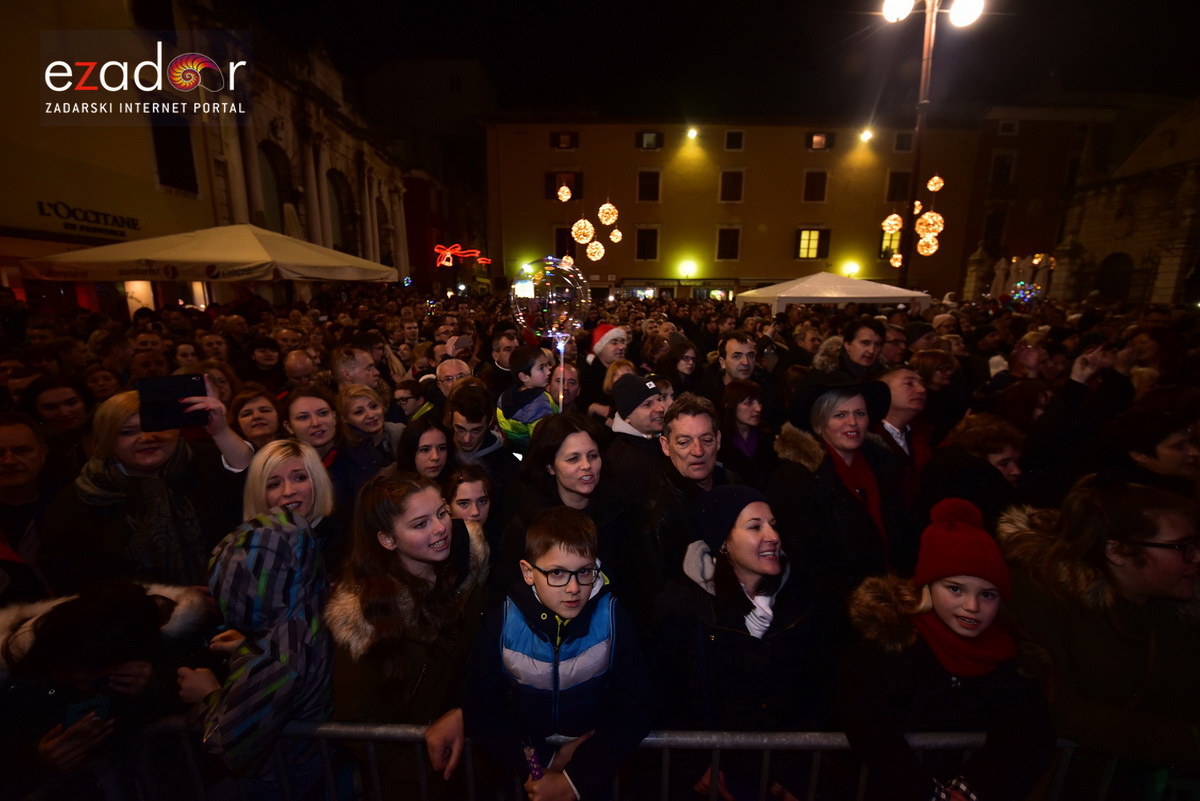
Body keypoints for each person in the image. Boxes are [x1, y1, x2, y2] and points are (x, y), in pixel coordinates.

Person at [838, 499, 1055, 801]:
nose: (972, 606)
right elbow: (871, 731)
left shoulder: (1010, 659)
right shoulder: (884, 649)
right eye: (955, 589)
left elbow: (1032, 736)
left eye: (988, 595)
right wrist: (929, 795)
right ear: (927, 587)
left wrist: (970, 790)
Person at [999, 481, 1200, 793]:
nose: (1196, 557)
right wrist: (1187, 743)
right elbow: (1057, 707)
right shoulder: (1040, 597)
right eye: (1180, 547)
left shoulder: (1173, 609)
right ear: (1117, 551)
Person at [652, 485, 834, 799]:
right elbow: (661, 692)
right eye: (755, 526)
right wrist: (692, 765)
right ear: (723, 542)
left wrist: (794, 774)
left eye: (773, 525)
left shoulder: (801, 603)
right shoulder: (683, 604)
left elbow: (813, 698)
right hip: (709, 783)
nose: (773, 536)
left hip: (777, 782)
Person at [464, 506, 651, 801]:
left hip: (594, 780)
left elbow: (633, 711)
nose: (574, 588)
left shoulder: (613, 619)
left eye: (584, 571)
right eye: (557, 573)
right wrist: (548, 760)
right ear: (528, 572)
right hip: (522, 777)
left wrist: (574, 780)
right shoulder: (504, 622)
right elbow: (482, 710)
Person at [324, 473, 489, 800]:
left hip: (473, 769)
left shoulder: (462, 580)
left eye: (442, 513)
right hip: (414, 783)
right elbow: (358, 724)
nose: (441, 528)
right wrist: (432, 772)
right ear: (387, 539)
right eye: (420, 524)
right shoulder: (363, 618)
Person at [176, 494, 331, 800]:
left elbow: (227, 741)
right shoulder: (315, 605)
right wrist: (252, 643)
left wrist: (207, 694)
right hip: (313, 773)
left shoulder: (276, 655)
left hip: (282, 783)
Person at [0, 581, 212, 800]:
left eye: (94, 680)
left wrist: (155, 681)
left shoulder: (121, 638)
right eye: (70, 680)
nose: (84, 689)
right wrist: (35, 760)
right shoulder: (13, 677)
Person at [39, 385, 251, 592]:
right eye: (127, 432)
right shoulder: (81, 497)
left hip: (233, 598)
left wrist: (221, 432)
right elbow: (69, 576)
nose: (146, 438)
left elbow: (253, 484)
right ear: (107, 439)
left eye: (156, 427)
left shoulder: (209, 461)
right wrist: (166, 598)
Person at [768, 379, 915, 609]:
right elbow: (804, 562)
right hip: (838, 609)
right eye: (840, 415)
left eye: (860, 413)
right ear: (819, 424)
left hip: (894, 595)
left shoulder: (883, 467)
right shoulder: (797, 478)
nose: (853, 422)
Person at [605, 374, 666, 496]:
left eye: (659, 400)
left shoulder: (659, 439)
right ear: (627, 416)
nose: (660, 408)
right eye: (648, 404)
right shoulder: (622, 462)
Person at [717, 379, 777, 491]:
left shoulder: (769, 438)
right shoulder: (719, 442)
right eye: (749, 403)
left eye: (759, 402)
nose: (758, 408)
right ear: (730, 405)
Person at [496, 345, 557, 452]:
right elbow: (543, 441)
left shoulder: (506, 396)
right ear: (524, 377)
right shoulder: (539, 404)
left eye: (547, 365)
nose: (548, 371)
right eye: (541, 368)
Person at [338, 383, 404, 463]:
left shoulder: (401, 433)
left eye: (373, 406)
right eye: (359, 412)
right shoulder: (344, 451)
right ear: (345, 419)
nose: (371, 415)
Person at [396, 414, 454, 483]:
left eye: (441, 448)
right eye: (425, 450)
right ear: (409, 452)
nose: (435, 457)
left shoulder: (457, 483)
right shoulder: (391, 490)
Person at [227, 385, 284, 450]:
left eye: (264, 410)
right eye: (247, 414)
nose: (257, 416)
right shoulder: (231, 456)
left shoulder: (296, 447)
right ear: (238, 426)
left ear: (279, 418)